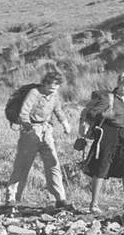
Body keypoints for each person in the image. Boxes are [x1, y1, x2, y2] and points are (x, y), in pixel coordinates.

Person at [5, 68, 75, 212]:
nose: (53, 90)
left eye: (56, 87)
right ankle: (12, 198)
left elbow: (58, 110)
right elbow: (24, 113)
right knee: (23, 165)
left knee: (53, 164)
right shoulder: (34, 93)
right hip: (30, 130)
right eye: (51, 86)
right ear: (45, 83)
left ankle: (60, 198)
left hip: (46, 130)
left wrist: (65, 123)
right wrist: (29, 129)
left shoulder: (54, 95)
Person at [80, 69, 124, 220]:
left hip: (122, 133)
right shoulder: (108, 98)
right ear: (119, 84)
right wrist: (103, 115)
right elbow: (91, 114)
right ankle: (93, 205)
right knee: (101, 166)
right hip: (107, 134)